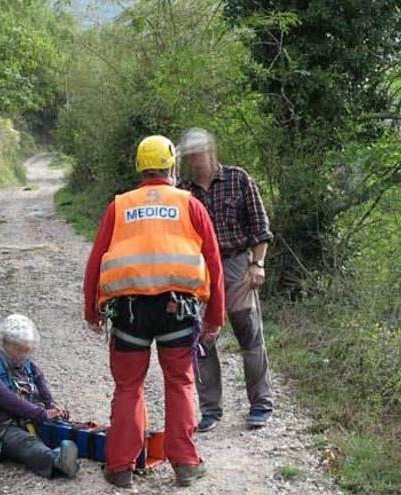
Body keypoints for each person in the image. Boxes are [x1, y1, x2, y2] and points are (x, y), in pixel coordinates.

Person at [84, 135, 225, 489]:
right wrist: (215, 317)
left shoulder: (119, 206)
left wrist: (92, 310)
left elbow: (96, 260)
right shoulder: (190, 204)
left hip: (130, 312)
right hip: (177, 310)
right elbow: (213, 262)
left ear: (139, 167)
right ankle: (186, 465)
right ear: (172, 167)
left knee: (128, 387)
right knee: (180, 383)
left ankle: (120, 469)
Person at [177, 128, 276, 431]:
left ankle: (260, 404)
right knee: (204, 339)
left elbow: (260, 227)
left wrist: (257, 264)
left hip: (235, 264)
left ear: (210, 150)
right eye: (189, 153)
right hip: (200, 270)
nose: (194, 158)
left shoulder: (238, 178)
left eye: (198, 151)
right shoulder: (182, 190)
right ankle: (210, 409)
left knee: (249, 335)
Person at [0, 314, 80, 479]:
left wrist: (52, 406)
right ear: (5, 343)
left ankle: (82, 451)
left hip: (28, 420)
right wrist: (40, 413)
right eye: (20, 348)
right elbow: (5, 398)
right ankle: (56, 461)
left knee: (65, 428)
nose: (24, 353)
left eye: (28, 349)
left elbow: (43, 390)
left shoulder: (28, 365)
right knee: (24, 442)